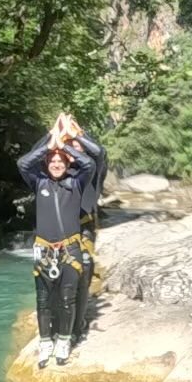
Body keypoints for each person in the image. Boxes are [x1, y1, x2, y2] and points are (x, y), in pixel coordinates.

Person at [17, 114, 96, 368]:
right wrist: (49, 146)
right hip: (43, 250)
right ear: (47, 165)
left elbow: (89, 165)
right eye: (52, 162)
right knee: (43, 300)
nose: (57, 165)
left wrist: (64, 145)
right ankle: (45, 342)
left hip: (70, 249)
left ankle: (63, 340)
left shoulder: (76, 183)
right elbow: (23, 163)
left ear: (66, 164)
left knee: (66, 298)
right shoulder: (39, 181)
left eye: (61, 162)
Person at [73, 126, 108, 342]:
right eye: (72, 147)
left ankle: (78, 322)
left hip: (83, 227)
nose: (76, 150)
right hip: (58, 230)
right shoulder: (59, 170)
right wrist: (54, 134)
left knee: (83, 270)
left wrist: (78, 134)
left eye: (80, 147)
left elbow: (99, 152)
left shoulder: (93, 171)